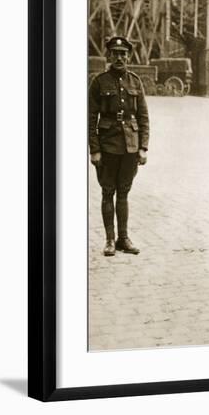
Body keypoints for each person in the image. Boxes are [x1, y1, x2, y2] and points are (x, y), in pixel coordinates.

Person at [89, 36, 149, 256]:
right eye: (115, 53)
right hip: (107, 146)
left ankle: (123, 238)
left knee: (123, 193)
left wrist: (143, 147)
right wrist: (94, 149)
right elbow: (90, 117)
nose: (119, 57)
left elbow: (143, 117)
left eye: (123, 54)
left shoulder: (135, 81)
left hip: (130, 147)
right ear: (109, 56)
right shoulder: (99, 81)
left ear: (128, 56)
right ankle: (109, 240)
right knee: (108, 192)